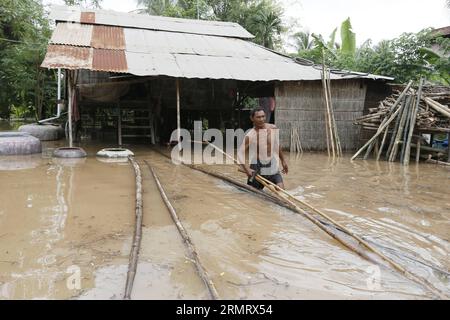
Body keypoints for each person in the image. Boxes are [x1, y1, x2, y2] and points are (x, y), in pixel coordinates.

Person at [238, 107, 288, 190]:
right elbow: (240, 153)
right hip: (257, 167)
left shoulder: (272, 128)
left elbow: (276, 145)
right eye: (258, 117)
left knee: (281, 189)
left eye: (263, 116)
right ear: (252, 118)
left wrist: (283, 160)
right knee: (254, 194)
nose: (261, 119)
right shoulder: (250, 135)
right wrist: (247, 169)